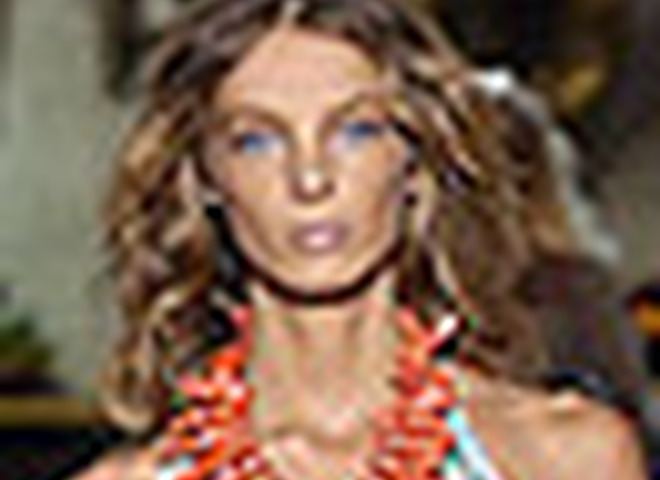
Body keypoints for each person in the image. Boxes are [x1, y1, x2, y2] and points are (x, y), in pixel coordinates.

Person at [73, 0, 649, 478]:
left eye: (356, 130)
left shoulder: (564, 457)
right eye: (257, 140)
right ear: (205, 180)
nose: (311, 178)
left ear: (414, 160)